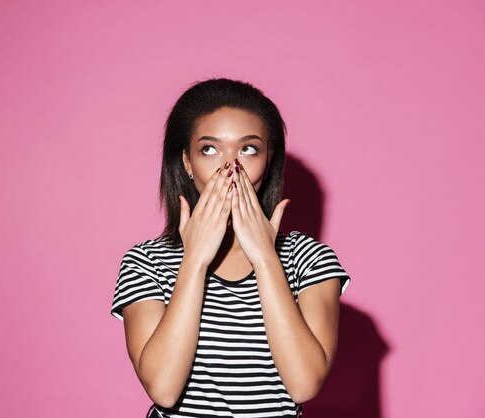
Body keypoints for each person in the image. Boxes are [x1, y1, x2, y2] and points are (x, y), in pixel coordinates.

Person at [111, 78, 351, 417]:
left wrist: (266, 258)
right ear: (187, 163)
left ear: (268, 163)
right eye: (209, 149)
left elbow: (304, 384)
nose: (230, 167)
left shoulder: (309, 259)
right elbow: (163, 389)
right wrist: (194, 260)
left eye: (248, 149)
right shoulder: (146, 262)